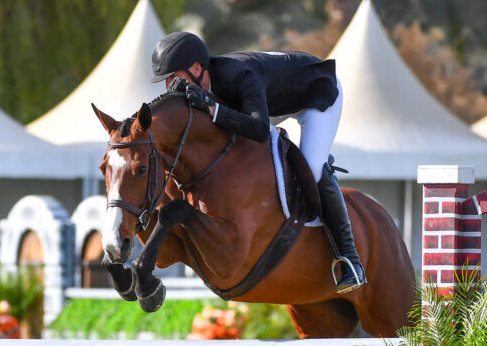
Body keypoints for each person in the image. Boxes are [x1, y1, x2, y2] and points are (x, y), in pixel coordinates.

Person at [149, 31, 366, 294]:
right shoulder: (203, 85)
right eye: (166, 81)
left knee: (312, 165)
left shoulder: (240, 75)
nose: (170, 86)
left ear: (196, 69)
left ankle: (350, 259)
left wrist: (210, 107)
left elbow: (260, 130)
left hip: (315, 94)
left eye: (173, 78)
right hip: (270, 100)